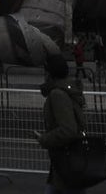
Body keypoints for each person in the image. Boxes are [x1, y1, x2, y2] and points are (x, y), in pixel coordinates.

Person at [35, 52, 87, 194]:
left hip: (66, 157)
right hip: (66, 158)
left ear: (49, 73)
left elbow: (68, 129)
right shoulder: (67, 91)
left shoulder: (57, 94)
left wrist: (44, 139)